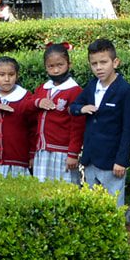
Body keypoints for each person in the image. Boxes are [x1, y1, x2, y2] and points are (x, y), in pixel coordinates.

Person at [70, 40, 130, 200]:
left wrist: (121, 160)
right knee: (93, 207)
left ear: (115, 62)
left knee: (114, 207)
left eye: (103, 62)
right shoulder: (92, 86)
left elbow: (129, 129)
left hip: (112, 162)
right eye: (94, 64)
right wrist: (82, 109)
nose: (98, 67)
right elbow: (73, 107)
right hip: (91, 159)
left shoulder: (124, 90)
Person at [31, 43, 86, 183]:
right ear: (45, 67)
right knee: (41, 190)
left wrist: (73, 153)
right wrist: (37, 102)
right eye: (51, 66)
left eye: (60, 65)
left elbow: (78, 126)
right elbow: (29, 108)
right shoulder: (42, 89)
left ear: (69, 64)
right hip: (42, 150)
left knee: (64, 190)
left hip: (63, 152)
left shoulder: (75, 91)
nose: (55, 70)